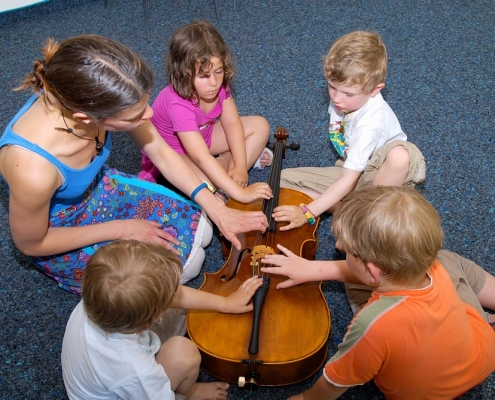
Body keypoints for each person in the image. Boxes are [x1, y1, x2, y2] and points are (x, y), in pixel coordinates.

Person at [0, 34, 269, 294]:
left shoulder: (94, 94)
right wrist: (122, 229)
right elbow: (31, 243)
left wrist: (218, 209)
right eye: (136, 115)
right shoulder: (32, 170)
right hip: (59, 230)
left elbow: (162, 154)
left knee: (204, 227)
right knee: (173, 270)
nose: (150, 114)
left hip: (97, 189)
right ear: (85, 118)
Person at [261, 186, 495, 399]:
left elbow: (334, 383)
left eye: (346, 249)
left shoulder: (372, 324)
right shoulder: (432, 266)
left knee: (358, 289)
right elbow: (375, 272)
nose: (338, 247)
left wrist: (306, 399)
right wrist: (312, 269)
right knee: (447, 261)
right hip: (483, 354)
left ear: (373, 272)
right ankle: (487, 318)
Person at [61, 239, 264, 399]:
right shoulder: (135, 370)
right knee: (184, 354)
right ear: (151, 320)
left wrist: (225, 303)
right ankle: (186, 393)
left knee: (186, 312)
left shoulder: (100, 295)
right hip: (131, 391)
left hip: (109, 371)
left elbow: (167, 296)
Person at [273, 31, 426, 230]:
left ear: (375, 89)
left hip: (384, 177)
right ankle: (350, 213)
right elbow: (348, 174)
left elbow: (347, 179)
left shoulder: (369, 125)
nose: (336, 98)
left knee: (400, 156)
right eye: (331, 87)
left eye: (348, 93)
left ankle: (370, 217)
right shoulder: (344, 99)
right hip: (353, 169)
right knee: (282, 181)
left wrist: (307, 212)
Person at [139, 20, 273, 204]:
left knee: (260, 126)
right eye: (204, 76)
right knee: (205, 183)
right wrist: (239, 192)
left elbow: (232, 123)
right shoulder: (178, 104)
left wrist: (241, 166)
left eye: (219, 71)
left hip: (203, 136)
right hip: (175, 153)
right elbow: (200, 156)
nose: (214, 82)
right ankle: (229, 164)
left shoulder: (218, 86)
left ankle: (230, 169)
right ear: (183, 73)